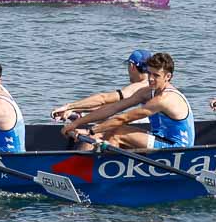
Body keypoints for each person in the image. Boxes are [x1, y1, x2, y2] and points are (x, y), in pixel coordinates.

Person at [61, 52, 194, 152]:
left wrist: (89, 132)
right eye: (150, 74)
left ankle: (94, 176)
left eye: (156, 76)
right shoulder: (147, 91)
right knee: (102, 130)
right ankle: (77, 169)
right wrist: (77, 123)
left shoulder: (165, 99)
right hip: (159, 138)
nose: (151, 79)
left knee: (115, 133)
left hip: (177, 148)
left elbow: (123, 118)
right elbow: (114, 108)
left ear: (168, 76)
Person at [51, 50, 155, 121]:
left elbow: (103, 99)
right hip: (153, 127)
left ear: (132, 66)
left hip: (151, 130)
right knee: (105, 118)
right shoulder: (149, 84)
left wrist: (69, 106)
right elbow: (111, 107)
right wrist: (77, 109)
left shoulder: (140, 86)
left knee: (104, 125)